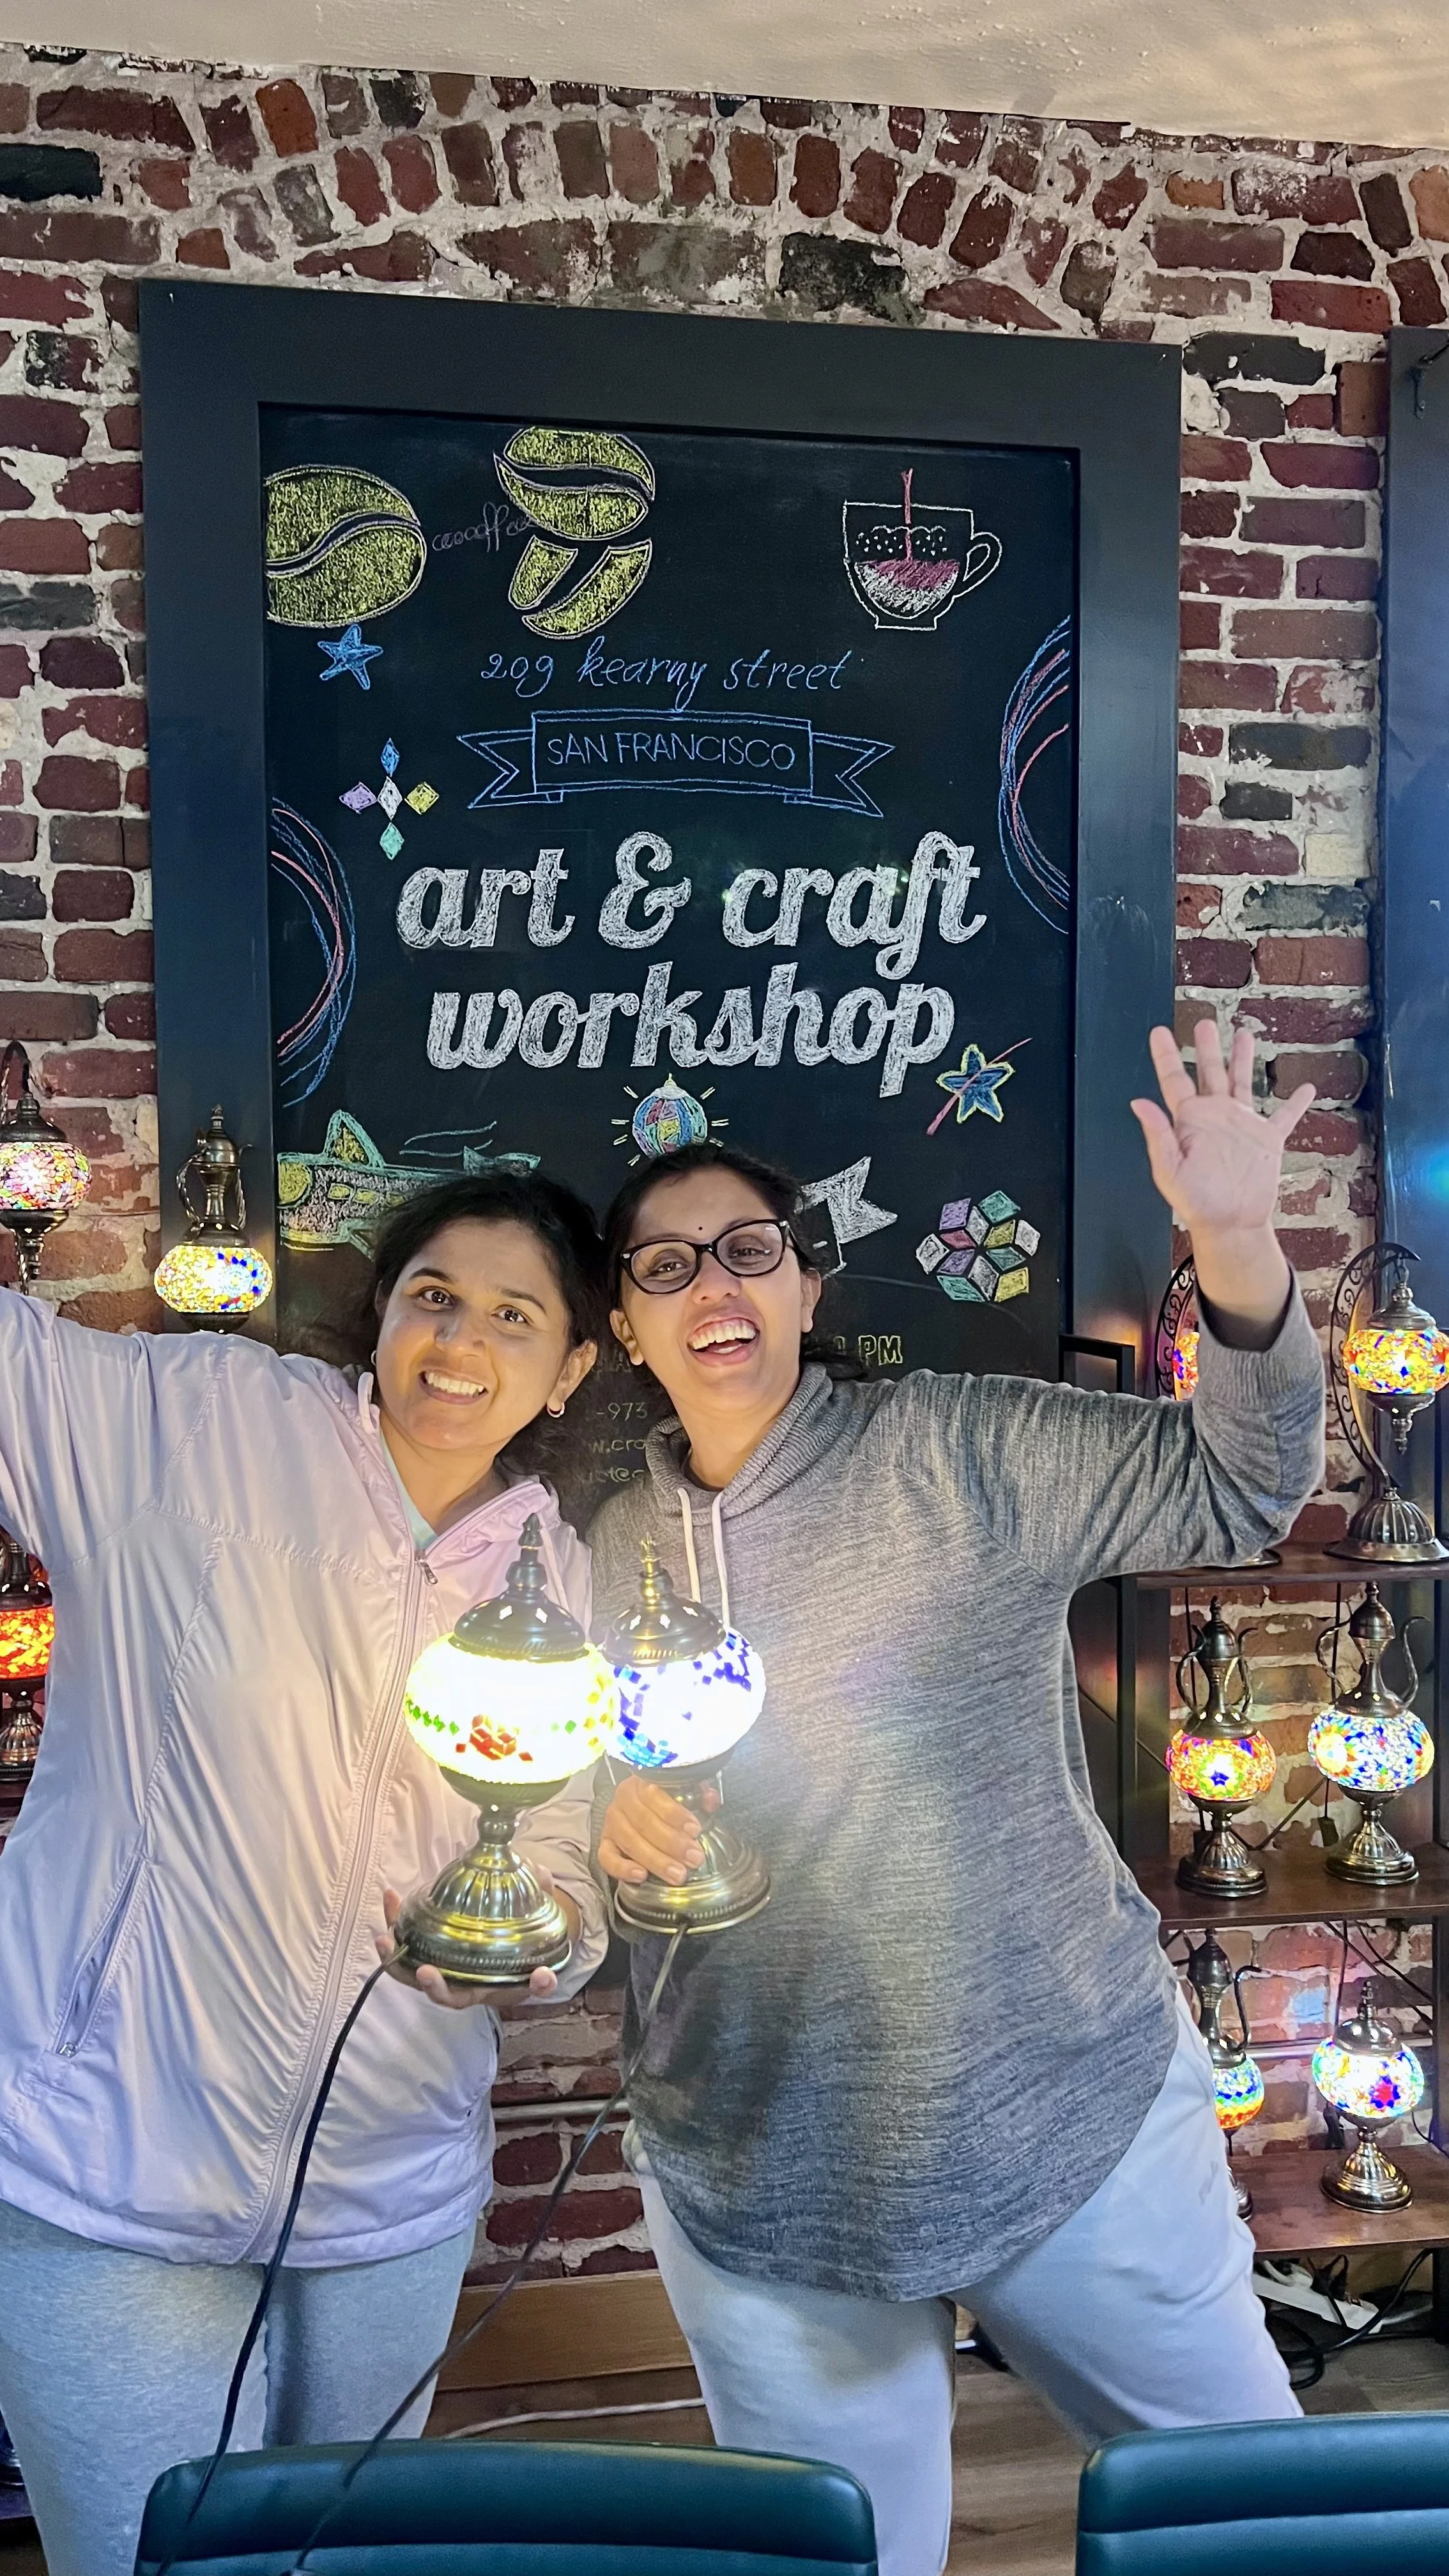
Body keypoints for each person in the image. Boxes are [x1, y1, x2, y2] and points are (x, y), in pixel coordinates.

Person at [592, 1022, 1324, 2576]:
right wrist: (600, 1827)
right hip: (763, 2162)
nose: (715, 1287)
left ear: (806, 1283)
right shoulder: (601, 1554)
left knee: (1261, 2527)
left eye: (749, 1251)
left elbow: (1241, 1487)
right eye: (668, 1267)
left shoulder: (963, 1447)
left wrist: (1240, 1246)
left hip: (1061, 2112)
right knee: (844, 2561)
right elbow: (562, 1808)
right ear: (622, 1323)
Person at [0, 1170, 611, 2576]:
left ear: (571, 1365)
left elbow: (567, 1851)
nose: (458, 1344)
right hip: (110, 2162)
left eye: (514, 1316)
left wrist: (548, 1934)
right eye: (434, 1298)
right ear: (384, 1312)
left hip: (387, 2195)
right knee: (151, 2564)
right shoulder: (194, 1423)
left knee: (349, 2563)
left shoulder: (553, 1572)